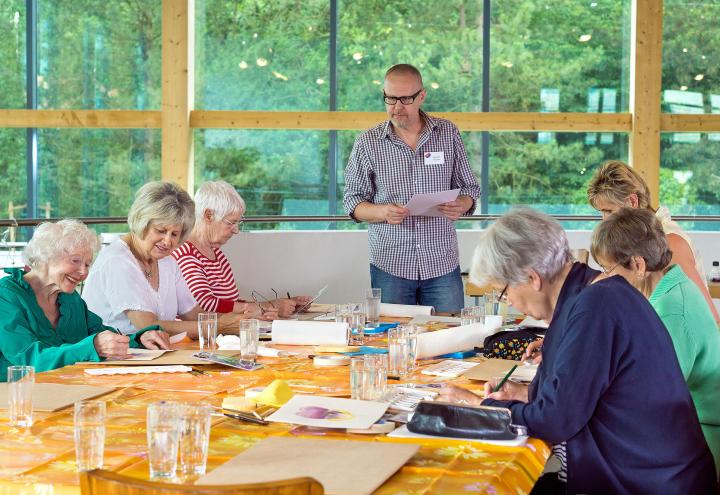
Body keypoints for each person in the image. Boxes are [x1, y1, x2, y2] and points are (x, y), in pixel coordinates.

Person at [439, 208, 715, 493]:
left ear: (532, 278)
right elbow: (580, 393)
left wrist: (479, 407)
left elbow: (555, 420)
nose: (510, 301)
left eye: (504, 292)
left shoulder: (595, 306)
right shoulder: (592, 294)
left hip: (651, 484)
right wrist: (527, 394)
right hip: (645, 473)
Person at [591, 207, 720, 473]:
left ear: (638, 265)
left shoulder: (672, 310)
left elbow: (651, 397)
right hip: (692, 421)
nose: (604, 278)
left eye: (607, 268)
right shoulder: (672, 284)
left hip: (704, 433)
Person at [343, 63, 480, 314]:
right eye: (390, 98)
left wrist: (462, 203)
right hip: (391, 264)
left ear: (422, 96)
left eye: (405, 99)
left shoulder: (447, 133)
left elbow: (470, 187)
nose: (397, 107)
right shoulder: (367, 142)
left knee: (449, 337)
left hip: (441, 262)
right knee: (390, 338)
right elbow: (352, 202)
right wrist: (383, 212)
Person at [0, 220, 169, 381]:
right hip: (17, 399)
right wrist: (92, 347)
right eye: (75, 261)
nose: (83, 272)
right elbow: (29, 359)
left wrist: (140, 340)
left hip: (65, 391)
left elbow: (101, 334)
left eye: (87, 264)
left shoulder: (70, 299)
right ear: (47, 256)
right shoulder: (6, 295)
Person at [83, 181, 240, 337]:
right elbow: (148, 326)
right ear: (141, 222)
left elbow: (193, 314)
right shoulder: (117, 260)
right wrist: (220, 327)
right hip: (111, 358)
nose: (167, 241)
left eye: (174, 234)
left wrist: (241, 318)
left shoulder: (167, 262)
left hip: (153, 354)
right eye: (160, 230)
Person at [587, 159, 719, 324]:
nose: (604, 221)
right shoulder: (643, 239)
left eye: (609, 211)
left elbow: (708, 317)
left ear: (633, 201)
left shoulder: (669, 241)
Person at [172, 181, 311, 318]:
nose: (236, 230)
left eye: (238, 223)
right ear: (208, 215)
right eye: (231, 222)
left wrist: (281, 304)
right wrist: (270, 307)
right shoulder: (185, 255)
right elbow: (205, 306)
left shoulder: (217, 255)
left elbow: (230, 305)